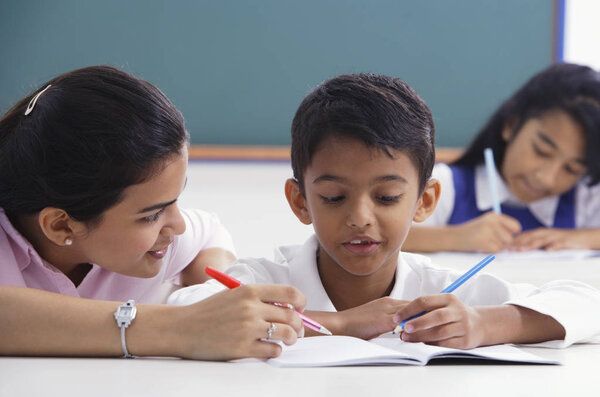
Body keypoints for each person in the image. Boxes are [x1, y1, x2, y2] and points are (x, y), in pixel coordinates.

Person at [169, 73, 600, 349]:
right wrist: (336, 324)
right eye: (334, 197)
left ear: (425, 202)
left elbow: (588, 305)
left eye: (387, 197)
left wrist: (487, 325)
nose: (361, 217)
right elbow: (182, 309)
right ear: (301, 202)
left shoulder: (440, 290)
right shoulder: (267, 281)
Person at [0, 65, 305, 360]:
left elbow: (208, 235)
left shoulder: (154, 244)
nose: (180, 225)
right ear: (61, 226)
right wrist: (181, 327)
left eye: (176, 201)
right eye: (151, 215)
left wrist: (212, 298)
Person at [403, 63, 600, 253]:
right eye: (541, 151)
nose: (546, 178)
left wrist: (582, 238)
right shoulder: (445, 186)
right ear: (511, 125)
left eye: (572, 169)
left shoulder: (584, 196)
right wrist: (455, 237)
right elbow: (382, 236)